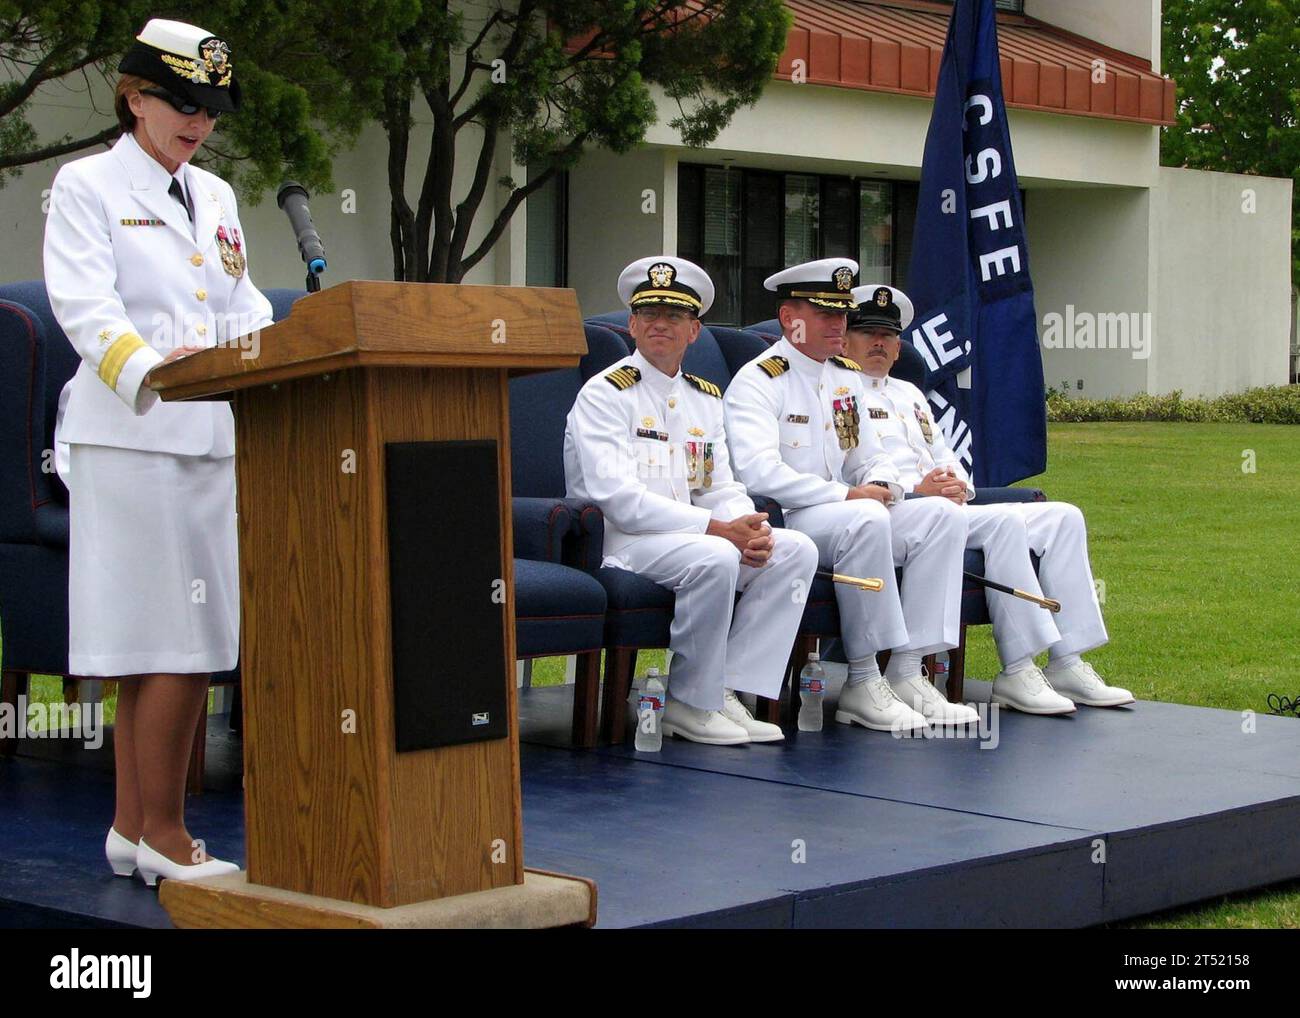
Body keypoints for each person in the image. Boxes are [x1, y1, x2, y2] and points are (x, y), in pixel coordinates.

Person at [44, 18, 273, 884]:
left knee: (165, 637)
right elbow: (83, 305)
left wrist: (277, 351)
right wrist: (151, 370)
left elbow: (241, 301)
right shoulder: (86, 184)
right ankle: (169, 838)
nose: (198, 122)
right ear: (134, 97)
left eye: (211, 108)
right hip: (130, 431)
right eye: (182, 103)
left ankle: (133, 828)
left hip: (207, 434)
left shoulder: (213, 196)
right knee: (174, 638)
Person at [564, 256, 819, 744]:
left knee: (794, 550)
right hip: (626, 542)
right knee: (717, 555)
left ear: (694, 330)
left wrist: (748, 525)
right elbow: (616, 498)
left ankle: (727, 689)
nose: (662, 324)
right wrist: (718, 531)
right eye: (651, 315)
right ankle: (688, 701)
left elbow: (717, 485)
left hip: (691, 538)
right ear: (633, 325)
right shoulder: (606, 395)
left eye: (675, 316)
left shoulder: (705, 399)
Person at [844, 283, 1132, 711]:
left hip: (946, 506)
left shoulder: (910, 395)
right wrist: (921, 489)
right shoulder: (838, 392)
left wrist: (960, 484)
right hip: (896, 510)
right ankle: (1017, 668)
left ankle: (1066, 661)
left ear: (900, 347)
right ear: (845, 338)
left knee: (1064, 517)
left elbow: (946, 455)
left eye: (888, 336)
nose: (879, 344)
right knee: (1006, 523)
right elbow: (848, 468)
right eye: (868, 334)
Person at [724, 260, 975, 732]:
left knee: (943, 516)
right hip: (792, 517)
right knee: (865, 518)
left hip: (848, 512)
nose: (839, 325)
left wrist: (886, 485)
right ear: (788, 318)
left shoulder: (843, 377)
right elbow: (757, 470)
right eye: (825, 314)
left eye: (842, 313)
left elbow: (869, 455)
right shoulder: (760, 380)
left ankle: (905, 671)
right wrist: (848, 494)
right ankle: (862, 678)